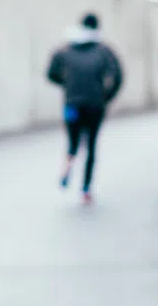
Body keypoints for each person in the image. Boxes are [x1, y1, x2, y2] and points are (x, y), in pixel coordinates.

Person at [46, 11, 123, 204]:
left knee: (72, 141)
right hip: (95, 106)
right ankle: (86, 189)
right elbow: (118, 76)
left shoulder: (65, 49)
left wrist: (67, 83)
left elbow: (51, 73)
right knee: (91, 147)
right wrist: (106, 96)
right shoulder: (104, 51)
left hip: (71, 104)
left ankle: (69, 162)